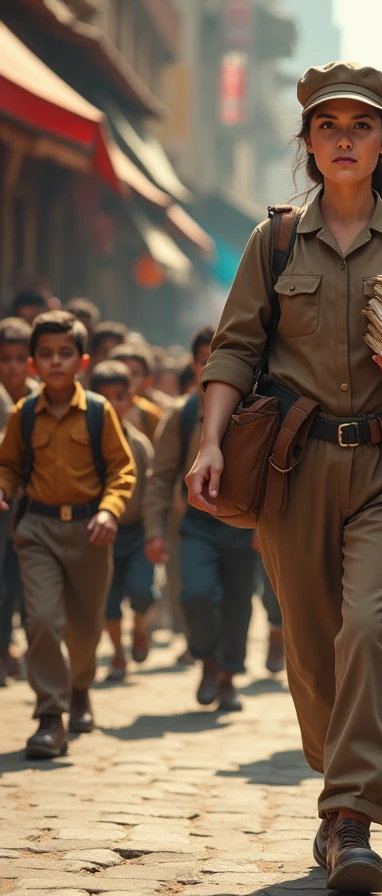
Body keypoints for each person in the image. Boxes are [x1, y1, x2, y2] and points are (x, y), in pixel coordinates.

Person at [186, 61, 382, 892]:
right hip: (296, 465)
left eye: (361, 125)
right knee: (313, 647)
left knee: (370, 630)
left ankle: (352, 818)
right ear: (310, 145)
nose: (344, 138)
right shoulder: (275, 239)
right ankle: (338, 791)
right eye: (329, 126)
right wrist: (209, 445)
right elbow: (236, 350)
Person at [0, 311, 135, 758]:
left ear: (82, 360)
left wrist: (110, 512)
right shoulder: (23, 415)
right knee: (42, 618)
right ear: (35, 364)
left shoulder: (98, 412)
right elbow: (8, 465)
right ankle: (49, 717)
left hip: (90, 532)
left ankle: (79, 689)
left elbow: (122, 469)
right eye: (46, 354)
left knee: (84, 627)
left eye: (65, 353)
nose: (55, 362)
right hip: (37, 529)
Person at [145, 327, 257, 713]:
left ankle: (228, 678)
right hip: (195, 524)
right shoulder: (182, 414)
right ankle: (207, 660)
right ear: (193, 366)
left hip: (244, 525)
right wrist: (154, 532)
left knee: (238, 602)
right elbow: (160, 478)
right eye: (204, 360)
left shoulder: (257, 408)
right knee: (196, 593)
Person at [91, 360, 157, 682]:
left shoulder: (139, 444)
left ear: (130, 398)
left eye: (120, 397)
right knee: (109, 599)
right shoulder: (86, 445)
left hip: (136, 530)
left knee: (143, 591)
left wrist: (153, 532)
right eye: (105, 399)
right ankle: (118, 654)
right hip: (99, 533)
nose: (113, 406)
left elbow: (152, 491)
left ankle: (140, 625)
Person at [0, 318, 40, 684]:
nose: (11, 366)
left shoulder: (41, 398)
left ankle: (32, 649)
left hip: (34, 504)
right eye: (4, 358)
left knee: (25, 577)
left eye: (18, 358)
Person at [109, 343, 164, 441]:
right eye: (122, 373)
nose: (128, 379)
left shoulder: (152, 415)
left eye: (134, 374)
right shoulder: (96, 408)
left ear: (147, 381)